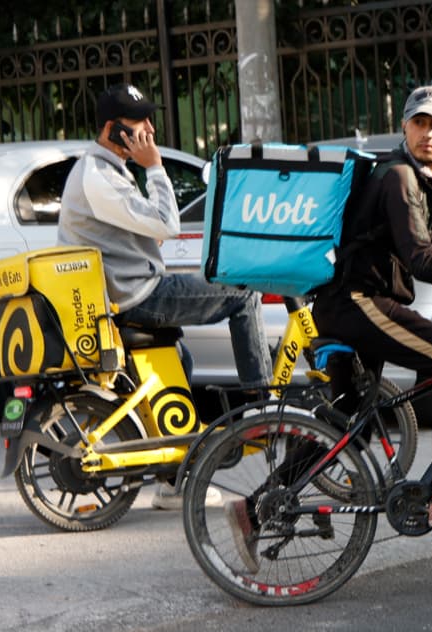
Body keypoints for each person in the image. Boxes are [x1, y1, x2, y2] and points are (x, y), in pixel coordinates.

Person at [223, 85, 432, 572]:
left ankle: (253, 510)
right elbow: (421, 259)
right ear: (406, 128)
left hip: (351, 304)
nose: (428, 133)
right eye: (419, 124)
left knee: (344, 417)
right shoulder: (398, 177)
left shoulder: (427, 178)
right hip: (359, 304)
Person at [57, 83, 273, 510]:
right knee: (244, 296)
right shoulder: (96, 176)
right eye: (141, 124)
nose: (151, 130)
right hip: (137, 295)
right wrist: (155, 167)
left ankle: (173, 485)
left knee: (180, 364)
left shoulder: (110, 171)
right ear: (113, 130)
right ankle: (262, 404)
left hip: (132, 288)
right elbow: (166, 224)